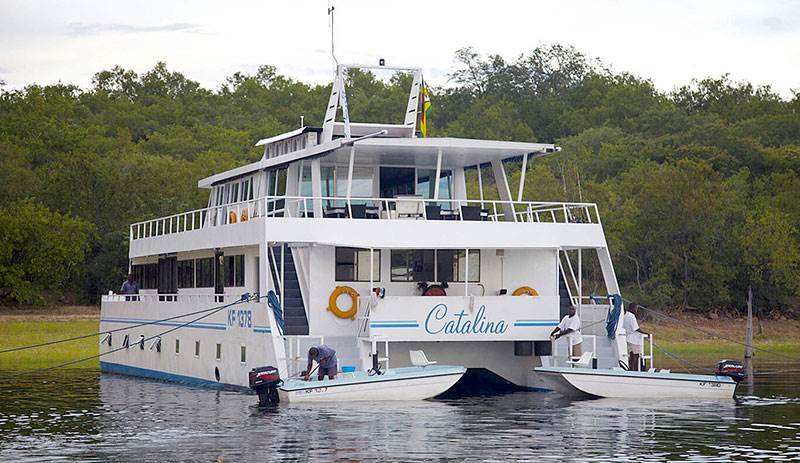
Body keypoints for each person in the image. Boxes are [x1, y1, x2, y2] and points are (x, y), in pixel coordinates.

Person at [623, 302, 650, 371]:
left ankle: (630, 369)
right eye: (636, 308)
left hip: (628, 338)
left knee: (631, 355)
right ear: (632, 308)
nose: (636, 310)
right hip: (634, 340)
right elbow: (636, 329)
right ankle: (635, 370)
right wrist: (646, 334)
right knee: (636, 355)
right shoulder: (631, 316)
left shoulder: (625, 315)